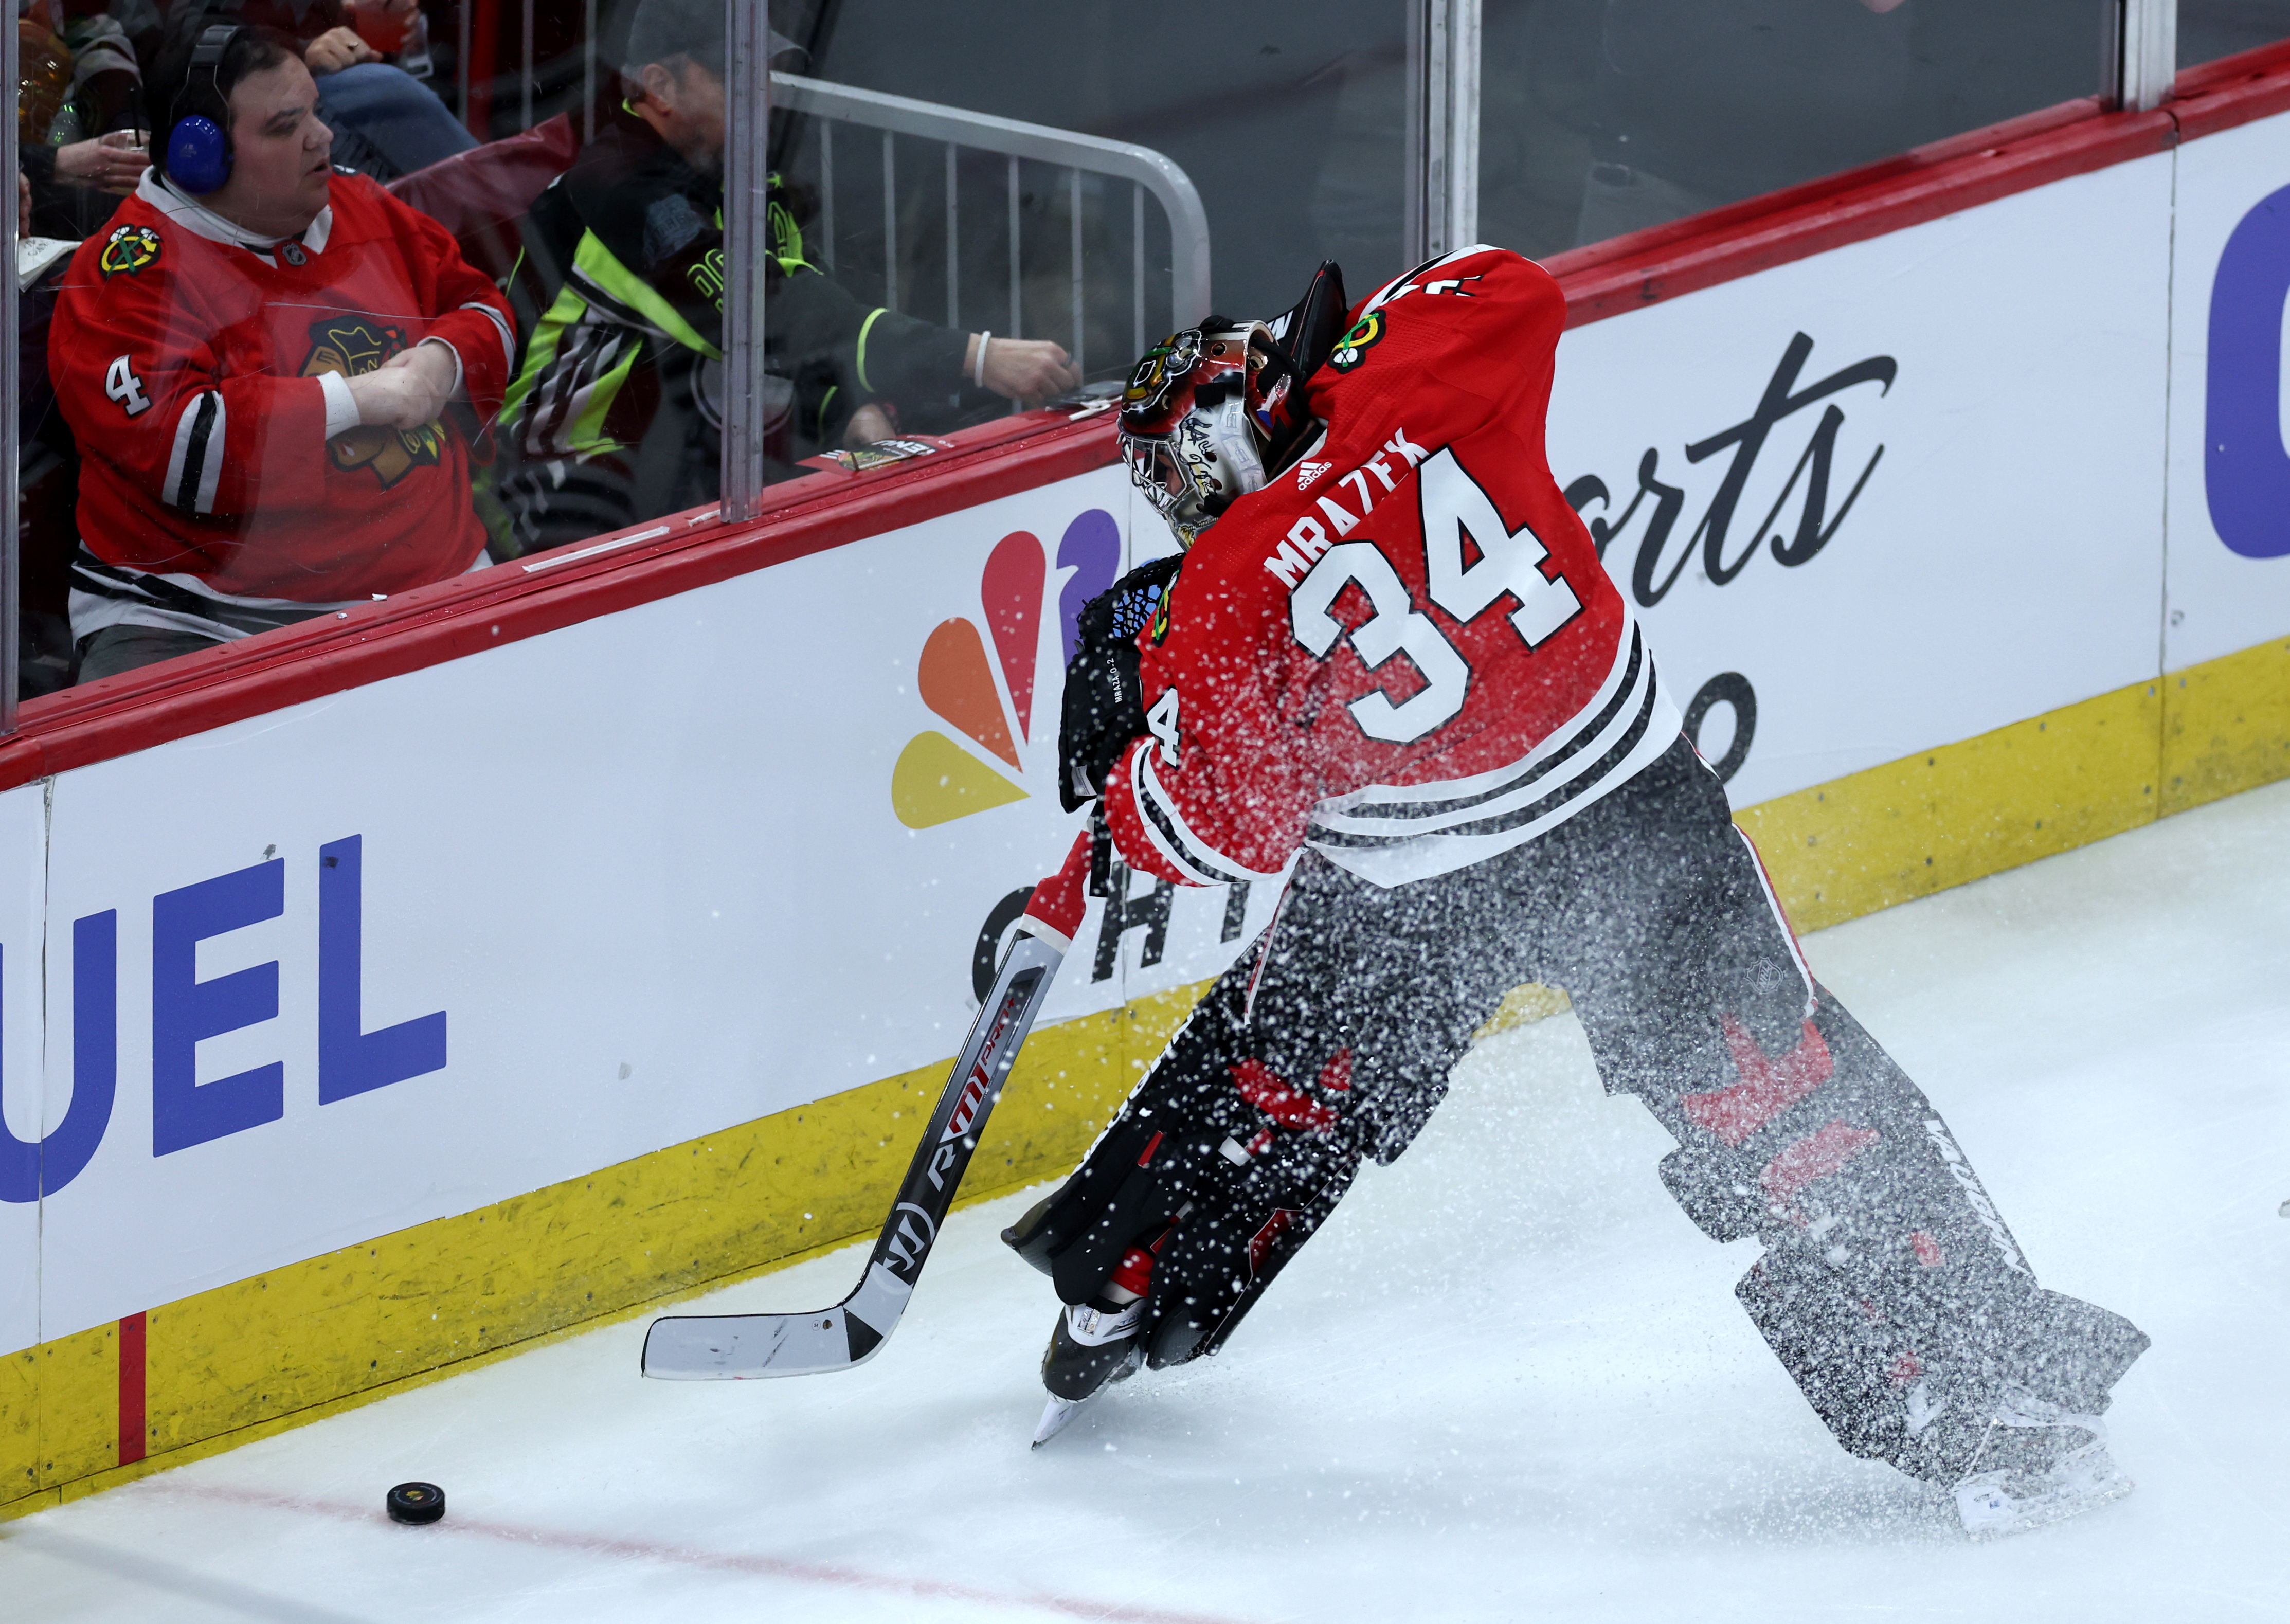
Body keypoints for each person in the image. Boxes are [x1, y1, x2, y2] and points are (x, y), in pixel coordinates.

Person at [1003, 247, 2150, 1538]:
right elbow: (1505, 284)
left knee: (1278, 1090)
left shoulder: (1215, 599)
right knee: (1777, 1102)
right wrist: (1327, 371)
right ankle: (1995, 1400)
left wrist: (1135, 787)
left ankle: (1122, 1285)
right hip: (1628, 825)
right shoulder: (1422, 388)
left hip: (1406, 890)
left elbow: (1232, 832)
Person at [488, 0, 1081, 556]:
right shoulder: (618, 190)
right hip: (555, 479)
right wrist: (976, 355)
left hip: (681, 456)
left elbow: (798, 303)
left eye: (765, 76)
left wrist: (844, 408)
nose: (763, 100)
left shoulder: (731, 166)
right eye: (735, 78)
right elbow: (771, 313)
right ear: (660, 87)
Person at [48, 21, 515, 681]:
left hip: (434, 580)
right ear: (198, 159)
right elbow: (184, 451)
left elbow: (483, 306)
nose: (322, 138)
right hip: (199, 617)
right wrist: (358, 399)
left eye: (316, 113)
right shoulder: (127, 272)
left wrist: (444, 359)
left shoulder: (362, 206)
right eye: (285, 127)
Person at [165, 0, 475, 179]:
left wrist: (367, 15)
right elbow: (199, 49)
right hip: (254, 128)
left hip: (346, 100)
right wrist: (301, 54)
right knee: (381, 88)